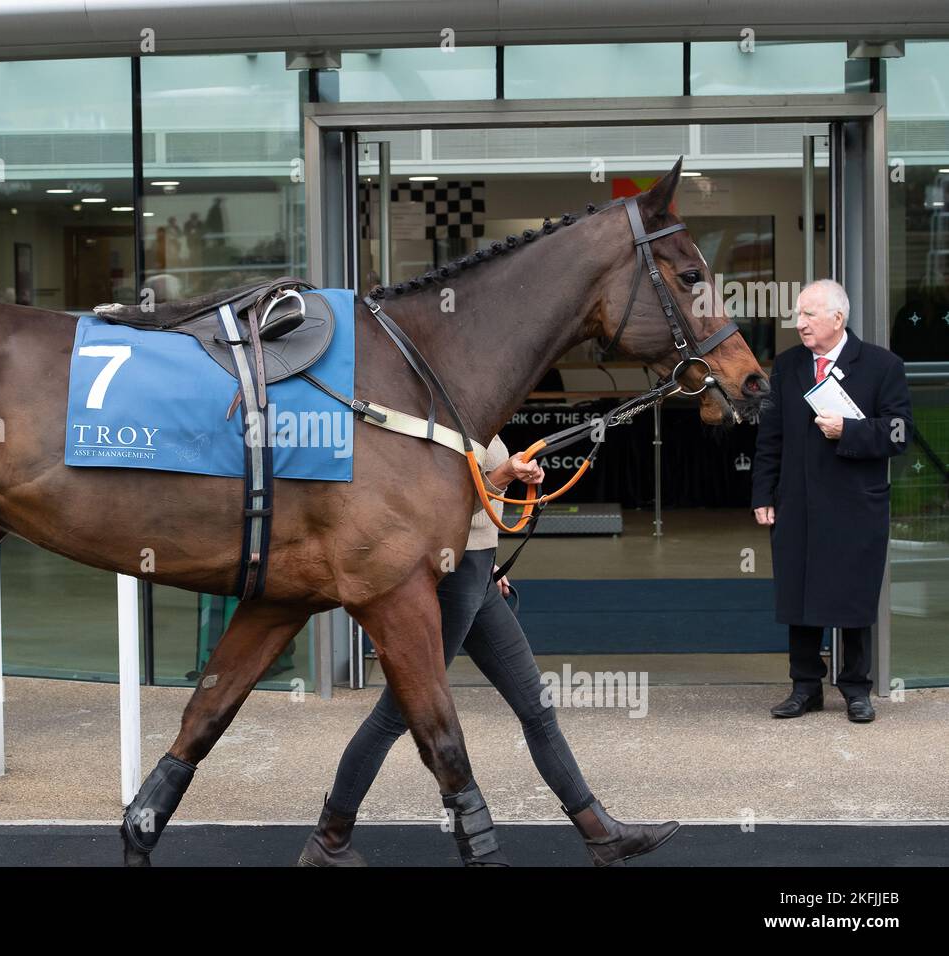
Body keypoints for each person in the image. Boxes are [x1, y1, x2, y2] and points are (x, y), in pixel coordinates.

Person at [298, 436, 680, 867]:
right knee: (395, 714)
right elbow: (439, 506)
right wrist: (503, 475)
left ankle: (601, 834)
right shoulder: (431, 414)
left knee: (536, 709)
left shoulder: (473, 412)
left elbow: (477, 511)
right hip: (453, 581)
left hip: (479, 575)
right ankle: (329, 838)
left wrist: (491, 558)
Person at [752, 279, 912, 723]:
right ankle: (805, 686)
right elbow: (771, 436)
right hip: (797, 502)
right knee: (799, 592)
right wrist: (763, 493)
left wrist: (850, 430)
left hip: (855, 503)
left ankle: (856, 688)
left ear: (837, 319)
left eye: (808, 315)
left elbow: (899, 433)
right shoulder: (787, 366)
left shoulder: (882, 365)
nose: (798, 323)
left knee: (852, 593)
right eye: (798, 315)